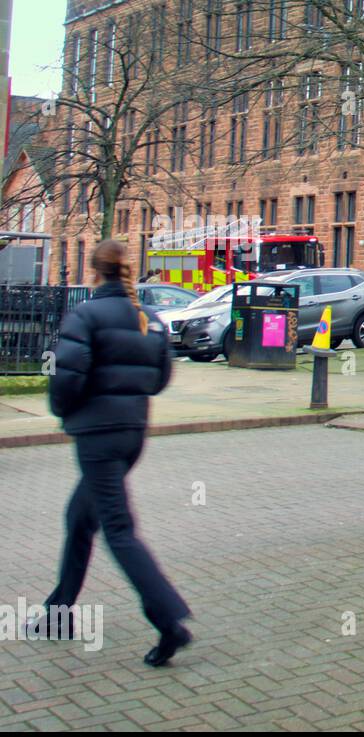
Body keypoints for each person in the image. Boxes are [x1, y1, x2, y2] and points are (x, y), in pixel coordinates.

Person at [38, 239, 193, 667]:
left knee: (119, 530)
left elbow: (66, 377)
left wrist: (63, 410)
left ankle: (169, 621)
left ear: (94, 271)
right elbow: (159, 378)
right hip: (131, 435)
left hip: (97, 437)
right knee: (78, 519)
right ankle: (59, 611)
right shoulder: (149, 319)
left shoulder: (85, 315)